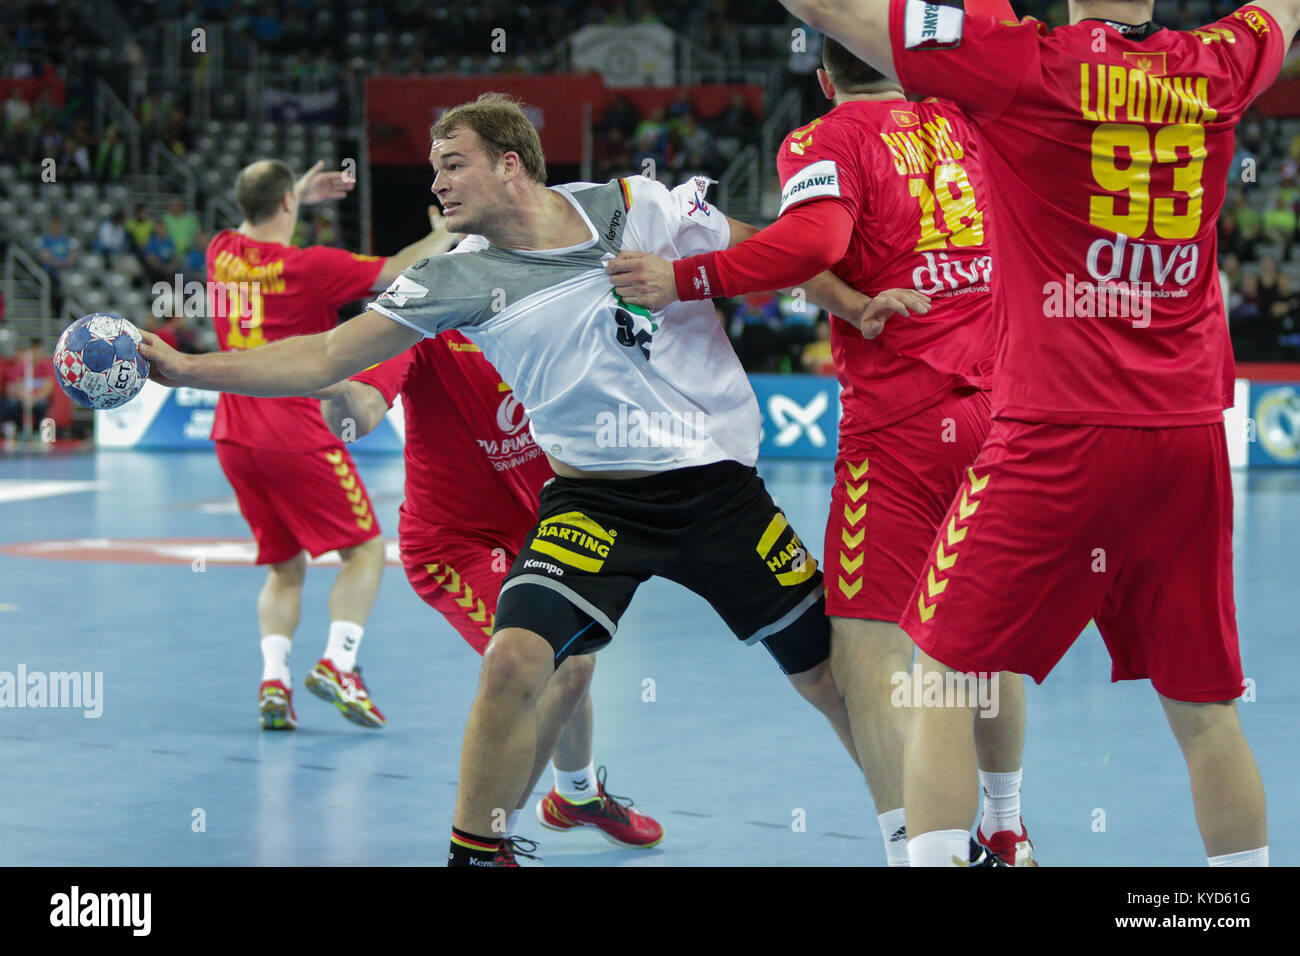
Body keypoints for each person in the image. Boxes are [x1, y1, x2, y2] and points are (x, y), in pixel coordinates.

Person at [137, 93, 917, 866]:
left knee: (825, 672)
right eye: (435, 168)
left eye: (453, 164)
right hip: (595, 501)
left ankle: (919, 841)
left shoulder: (632, 206)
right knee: (517, 658)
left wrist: (851, 303)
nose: (437, 185)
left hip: (720, 495)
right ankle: (476, 854)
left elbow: (764, 252)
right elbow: (323, 354)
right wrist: (184, 369)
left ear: (511, 164)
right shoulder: (453, 279)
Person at [777, 0, 1300, 867]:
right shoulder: (1221, 59)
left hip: (1056, 429)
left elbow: (828, 11)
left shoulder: (1028, 63)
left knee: (943, 676)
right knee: (1208, 714)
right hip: (1191, 432)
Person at [608, 36, 1033, 867]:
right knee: (984, 636)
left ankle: (917, 848)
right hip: (1002, 410)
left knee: (866, 647)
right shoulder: (962, 120)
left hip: (902, 424)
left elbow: (809, 245)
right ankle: (1008, 825)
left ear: (825, 75)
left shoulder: (826, 138)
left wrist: (683, 278)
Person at [316, 330, 665, 865]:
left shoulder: (545, 305)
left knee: (576, 653)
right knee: (563, 666)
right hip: (453, 546)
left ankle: (576, 795)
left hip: (542, 527)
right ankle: (489, 839)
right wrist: (339, 392)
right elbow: (361, 410)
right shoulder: (423, 318)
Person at [206, 158, 455, 731]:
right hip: (294, 429)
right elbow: (397, 269)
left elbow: (259, 212)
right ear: (289, 206)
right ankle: (339, 664)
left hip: (233, 433)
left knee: (284, 567)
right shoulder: (312, 267)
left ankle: (274, 681)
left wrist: (295, 192)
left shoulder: (219, 249)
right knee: (365, 551)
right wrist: (443, 232)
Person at [1, 338, 54, 441]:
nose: (35, 354)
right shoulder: (20, 367)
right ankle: (19, 430)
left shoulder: (46, 366)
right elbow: (14, 386)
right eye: (33, 351)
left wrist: (35, 398)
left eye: (38, 351)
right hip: (22, 400)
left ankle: (37, 432)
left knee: (42, 404)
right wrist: (25, 397)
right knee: (12, 405)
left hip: (37, 399)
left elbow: (48, 386)